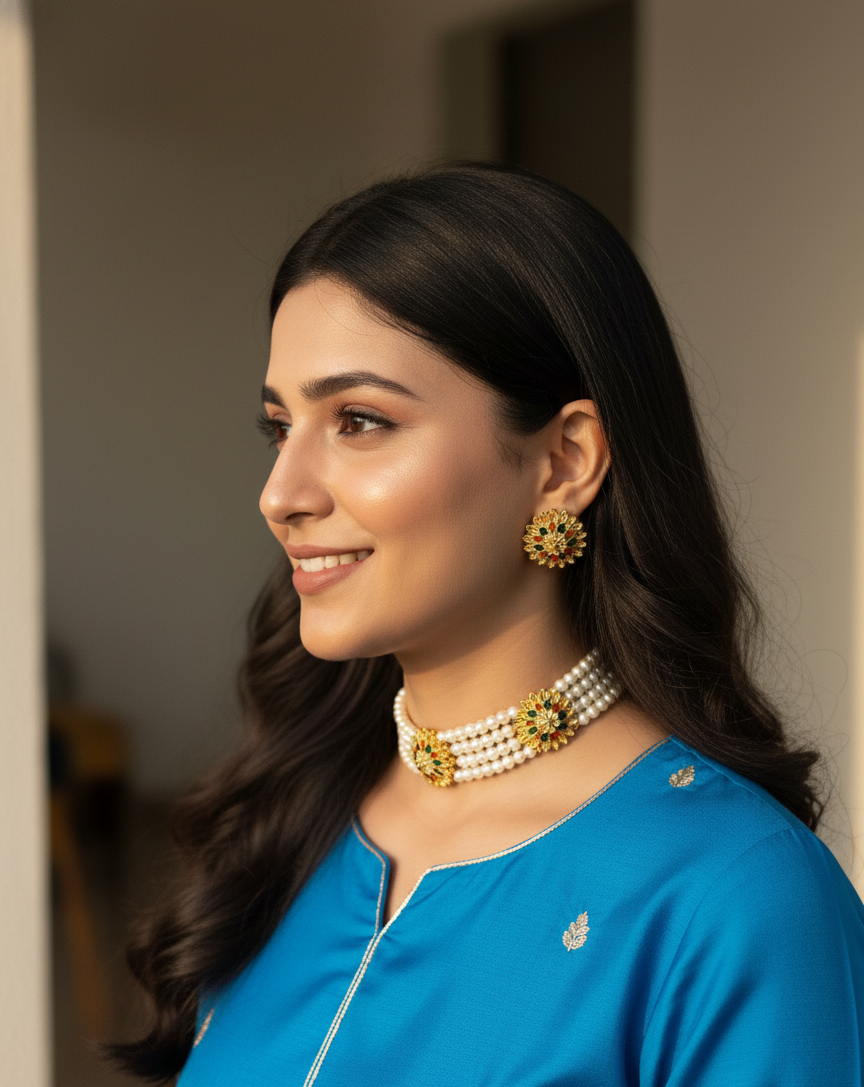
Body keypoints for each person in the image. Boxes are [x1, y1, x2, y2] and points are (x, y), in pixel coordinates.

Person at [110, 163, 864, 1085]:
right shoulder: (285, 824)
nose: (281, 494)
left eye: (358, 420)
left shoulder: (733, 897)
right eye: (280, 427)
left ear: (562, 461)